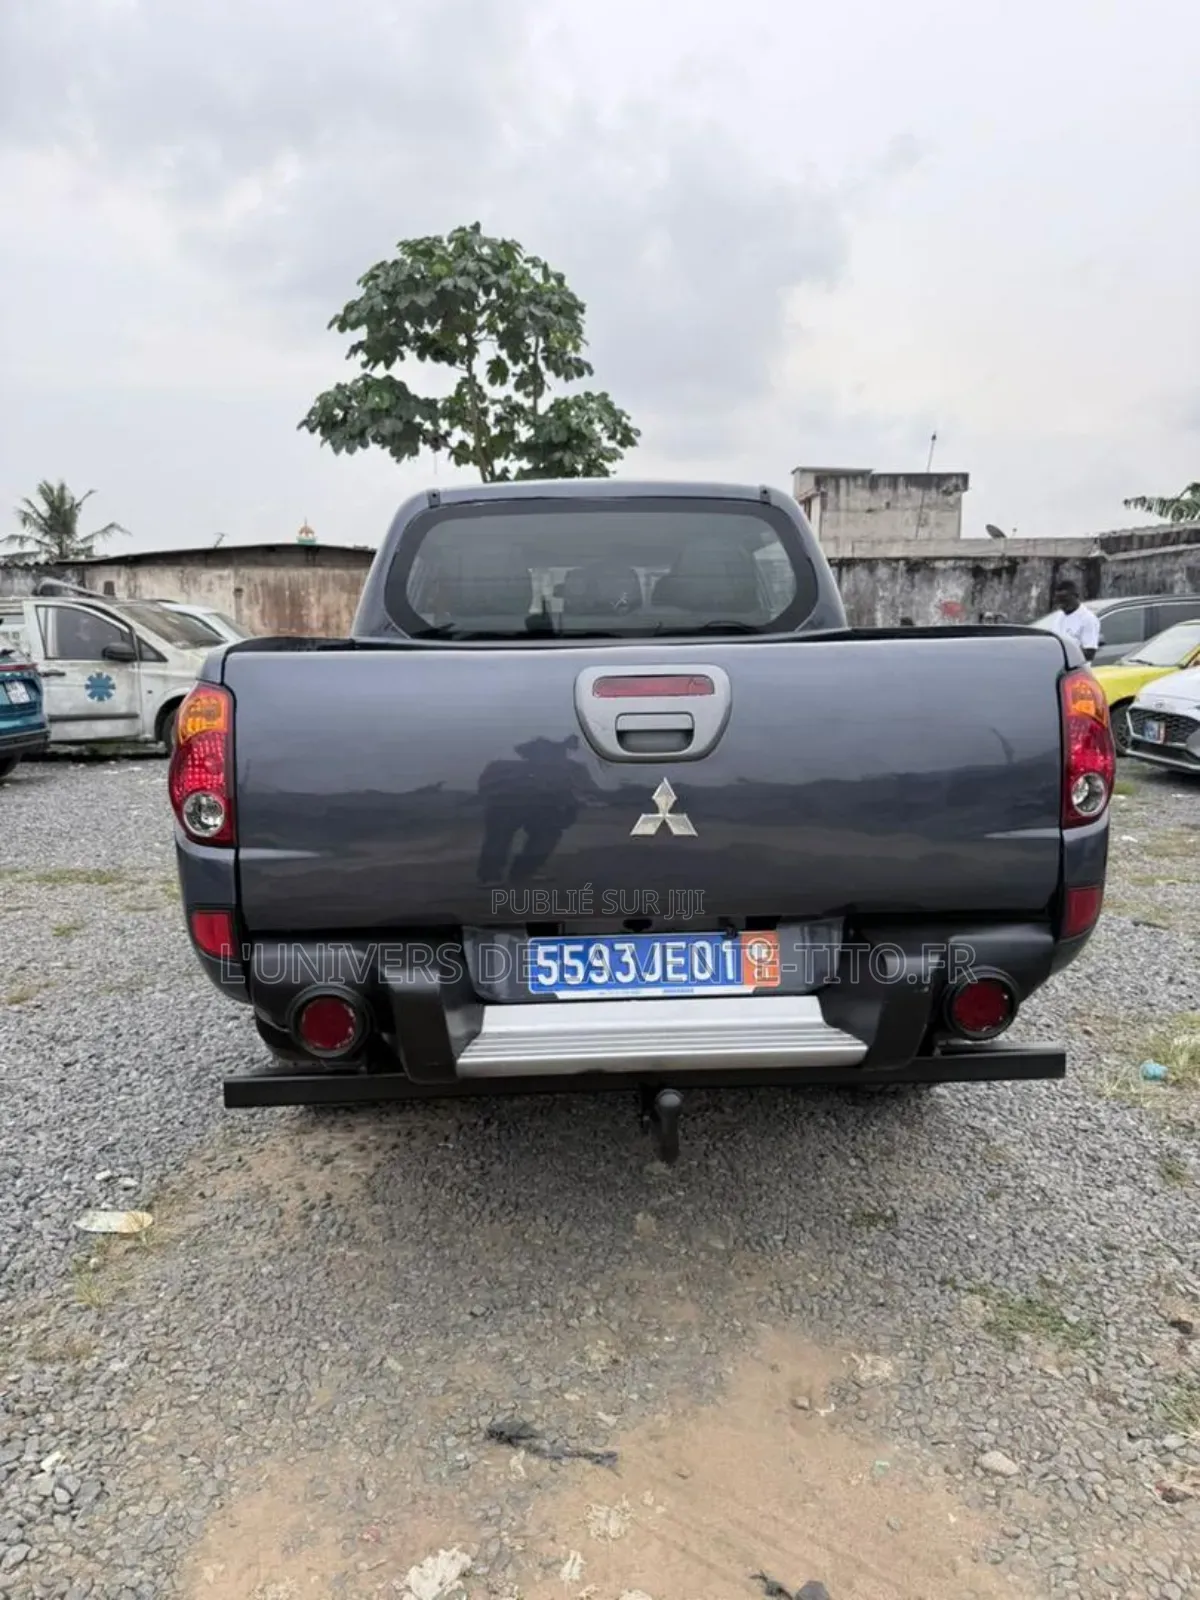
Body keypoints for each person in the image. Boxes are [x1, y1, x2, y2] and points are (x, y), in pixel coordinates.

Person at [1044, 581, 1100, 662]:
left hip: (1076, 667)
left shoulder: (1088, 619)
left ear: (1076, 596)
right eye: (1059, 601)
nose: (1062, 605)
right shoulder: (1059, 616)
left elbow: (1089, 654)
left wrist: (1063, 653)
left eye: (1065, 600)